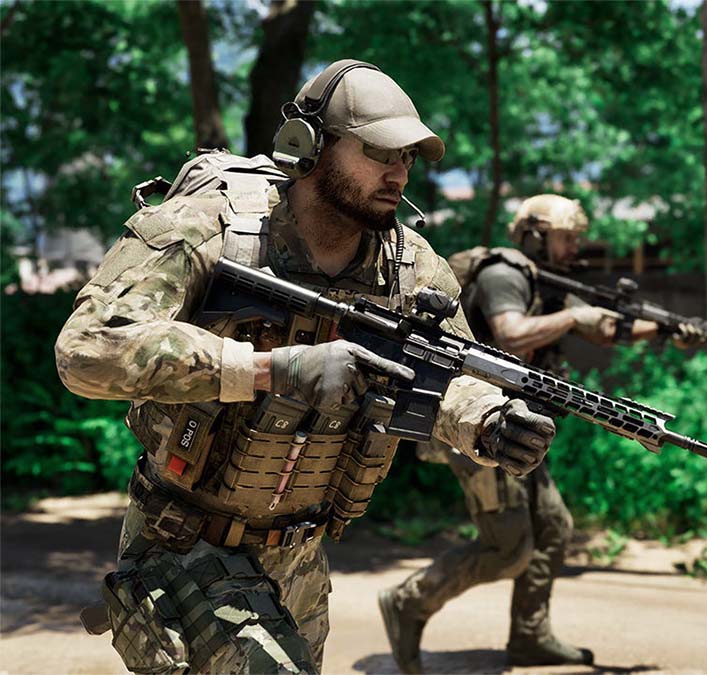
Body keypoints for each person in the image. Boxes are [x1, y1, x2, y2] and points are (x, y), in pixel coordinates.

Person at [55, 59, 556, 674]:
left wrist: (488, 420)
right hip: (185, 541)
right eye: (379, 152)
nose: (398, 172)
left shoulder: (410, 265)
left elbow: (450, 377)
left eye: (408, 158)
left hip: (303, 556)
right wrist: (268, 368)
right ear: (308, 144)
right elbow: (87, 351)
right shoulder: (207, 227)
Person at [377, 194, 707, 673]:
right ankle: (409, 602)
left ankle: (529, 636)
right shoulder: (503, 275)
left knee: (553, 528)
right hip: (477, 426)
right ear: (535, 234)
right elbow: (511, 333)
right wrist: (574, 318)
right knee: (507, 547)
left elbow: (603, 327)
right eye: (567, 236)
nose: (576, 246)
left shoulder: (545, 283)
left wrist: (665, 331)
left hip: (520, 428)